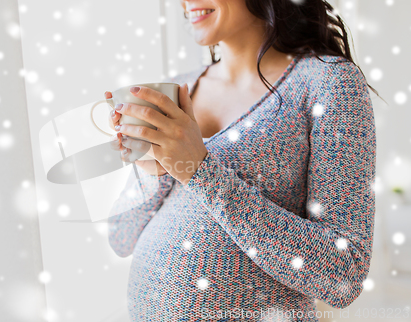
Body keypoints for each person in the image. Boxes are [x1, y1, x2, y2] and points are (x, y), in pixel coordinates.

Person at [105, 0, 380, 320]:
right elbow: (121, 238)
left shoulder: (328, 81)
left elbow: (343, 276)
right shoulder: (176, 91)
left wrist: (199, 170)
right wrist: (153, 172)